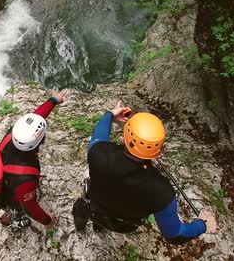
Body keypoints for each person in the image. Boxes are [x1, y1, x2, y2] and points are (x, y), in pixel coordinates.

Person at [72, 101, 217, 243]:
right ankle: (98, 227)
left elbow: (99, 133)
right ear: (158, 151)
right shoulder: (163, 192)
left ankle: (82, 227)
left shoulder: (99, 154)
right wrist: (202, 225)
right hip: (124, 225)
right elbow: (174, 235)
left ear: (124, 138)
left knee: (81, 208)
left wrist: (110, 115)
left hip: (92, 209)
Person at [0, 89, 69, 231]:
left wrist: (53, 100)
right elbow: (30, 208)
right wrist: (48, 221)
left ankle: (8, 212)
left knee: (9, 197)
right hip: (11, 190)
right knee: (16, 207)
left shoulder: (14, 135)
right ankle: (13, 217)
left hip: (4, 177)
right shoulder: (25, 179)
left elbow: (34, 119)